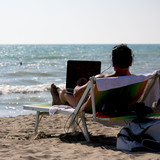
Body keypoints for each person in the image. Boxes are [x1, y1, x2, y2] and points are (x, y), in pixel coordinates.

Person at [50, 44, 134, 107]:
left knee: (65, 92)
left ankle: (59, 94)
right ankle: (58, 94)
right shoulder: (136, 79)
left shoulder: (100, 79)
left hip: (96, 108)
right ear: (131, 61)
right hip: (124, 108)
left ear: (112, 62)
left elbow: (76, 93)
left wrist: (79, 84)